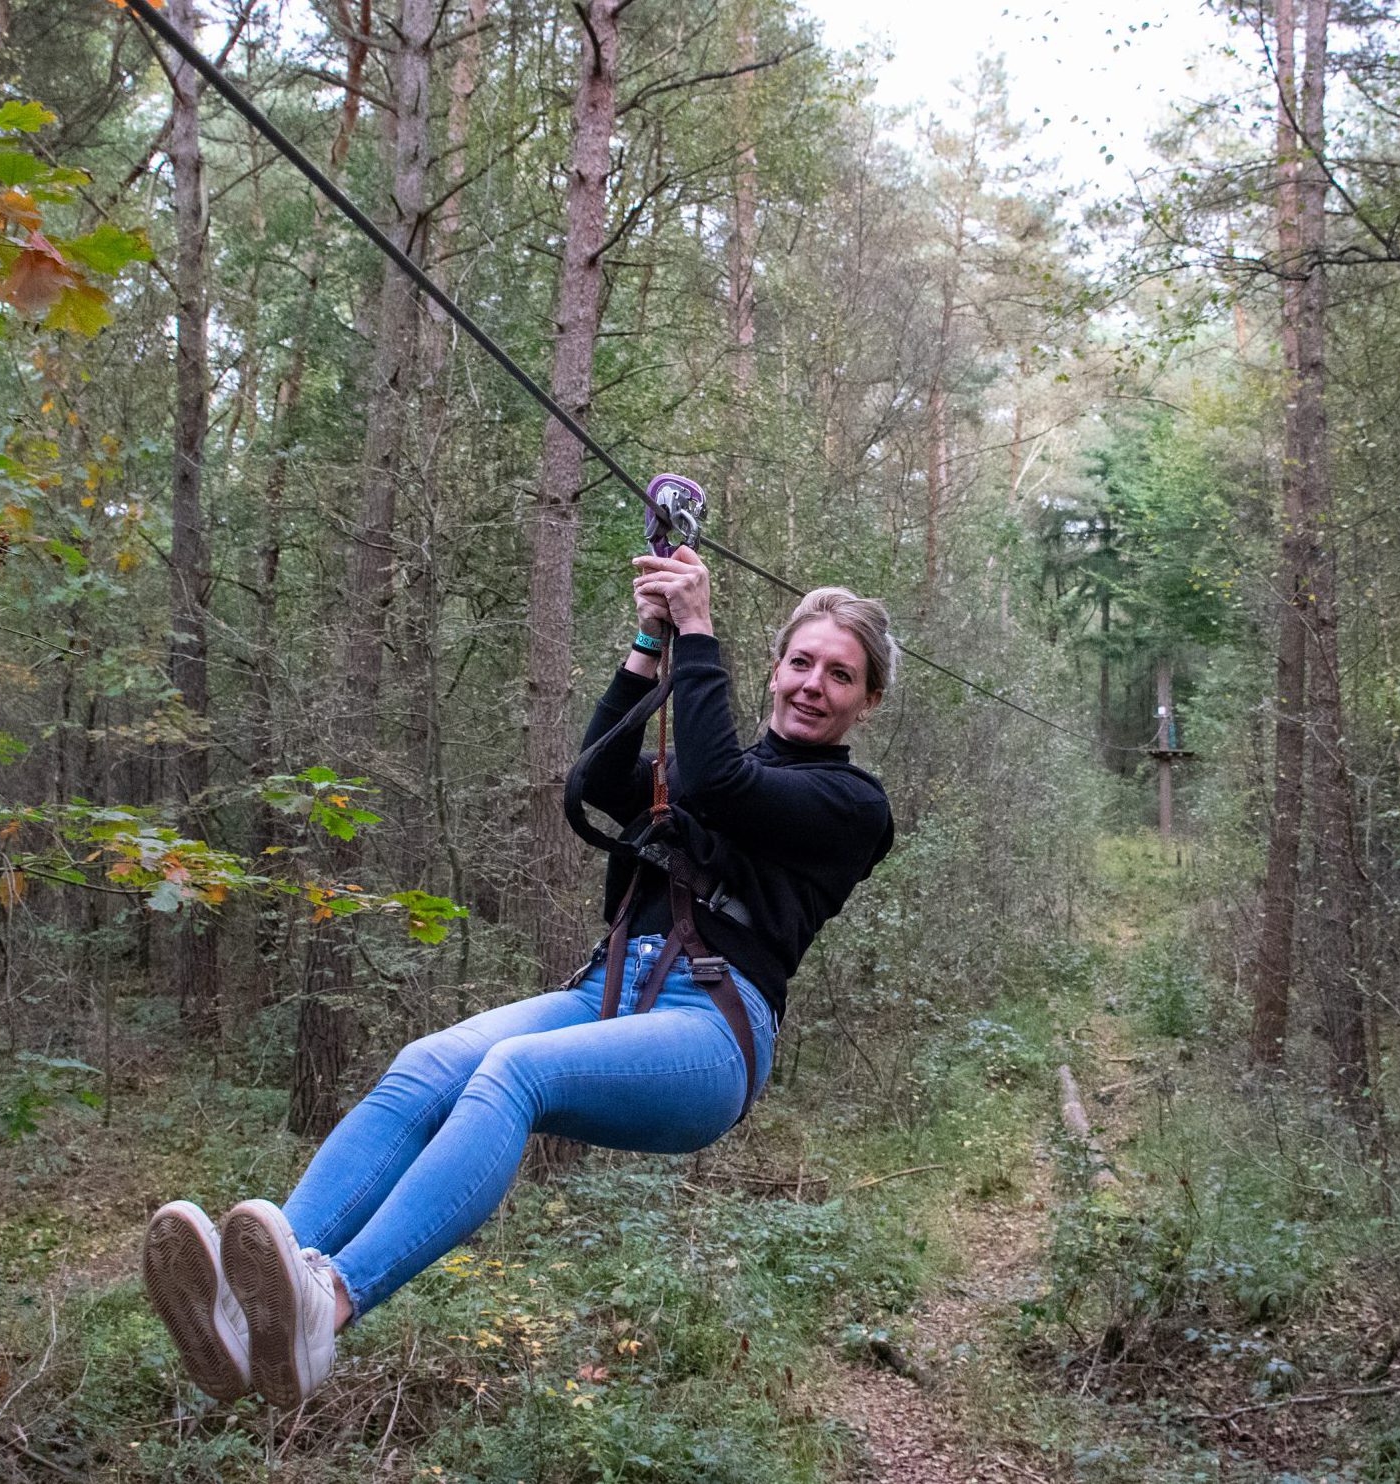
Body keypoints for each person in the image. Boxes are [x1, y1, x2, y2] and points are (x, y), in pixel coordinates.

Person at [141, 544, 897, 1408]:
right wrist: (651, 645)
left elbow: (722, 787)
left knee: (513, 1074)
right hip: (607, 994)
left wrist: (697, 631)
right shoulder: (702, 763)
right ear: (773, 669)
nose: (812, 684)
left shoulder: (853, 808)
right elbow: (597, 776)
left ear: (866, 702)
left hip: (713, 1033)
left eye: (838, 675)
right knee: (428, 1064)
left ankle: (331, 1304)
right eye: (800, 661)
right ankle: (251, 1314)